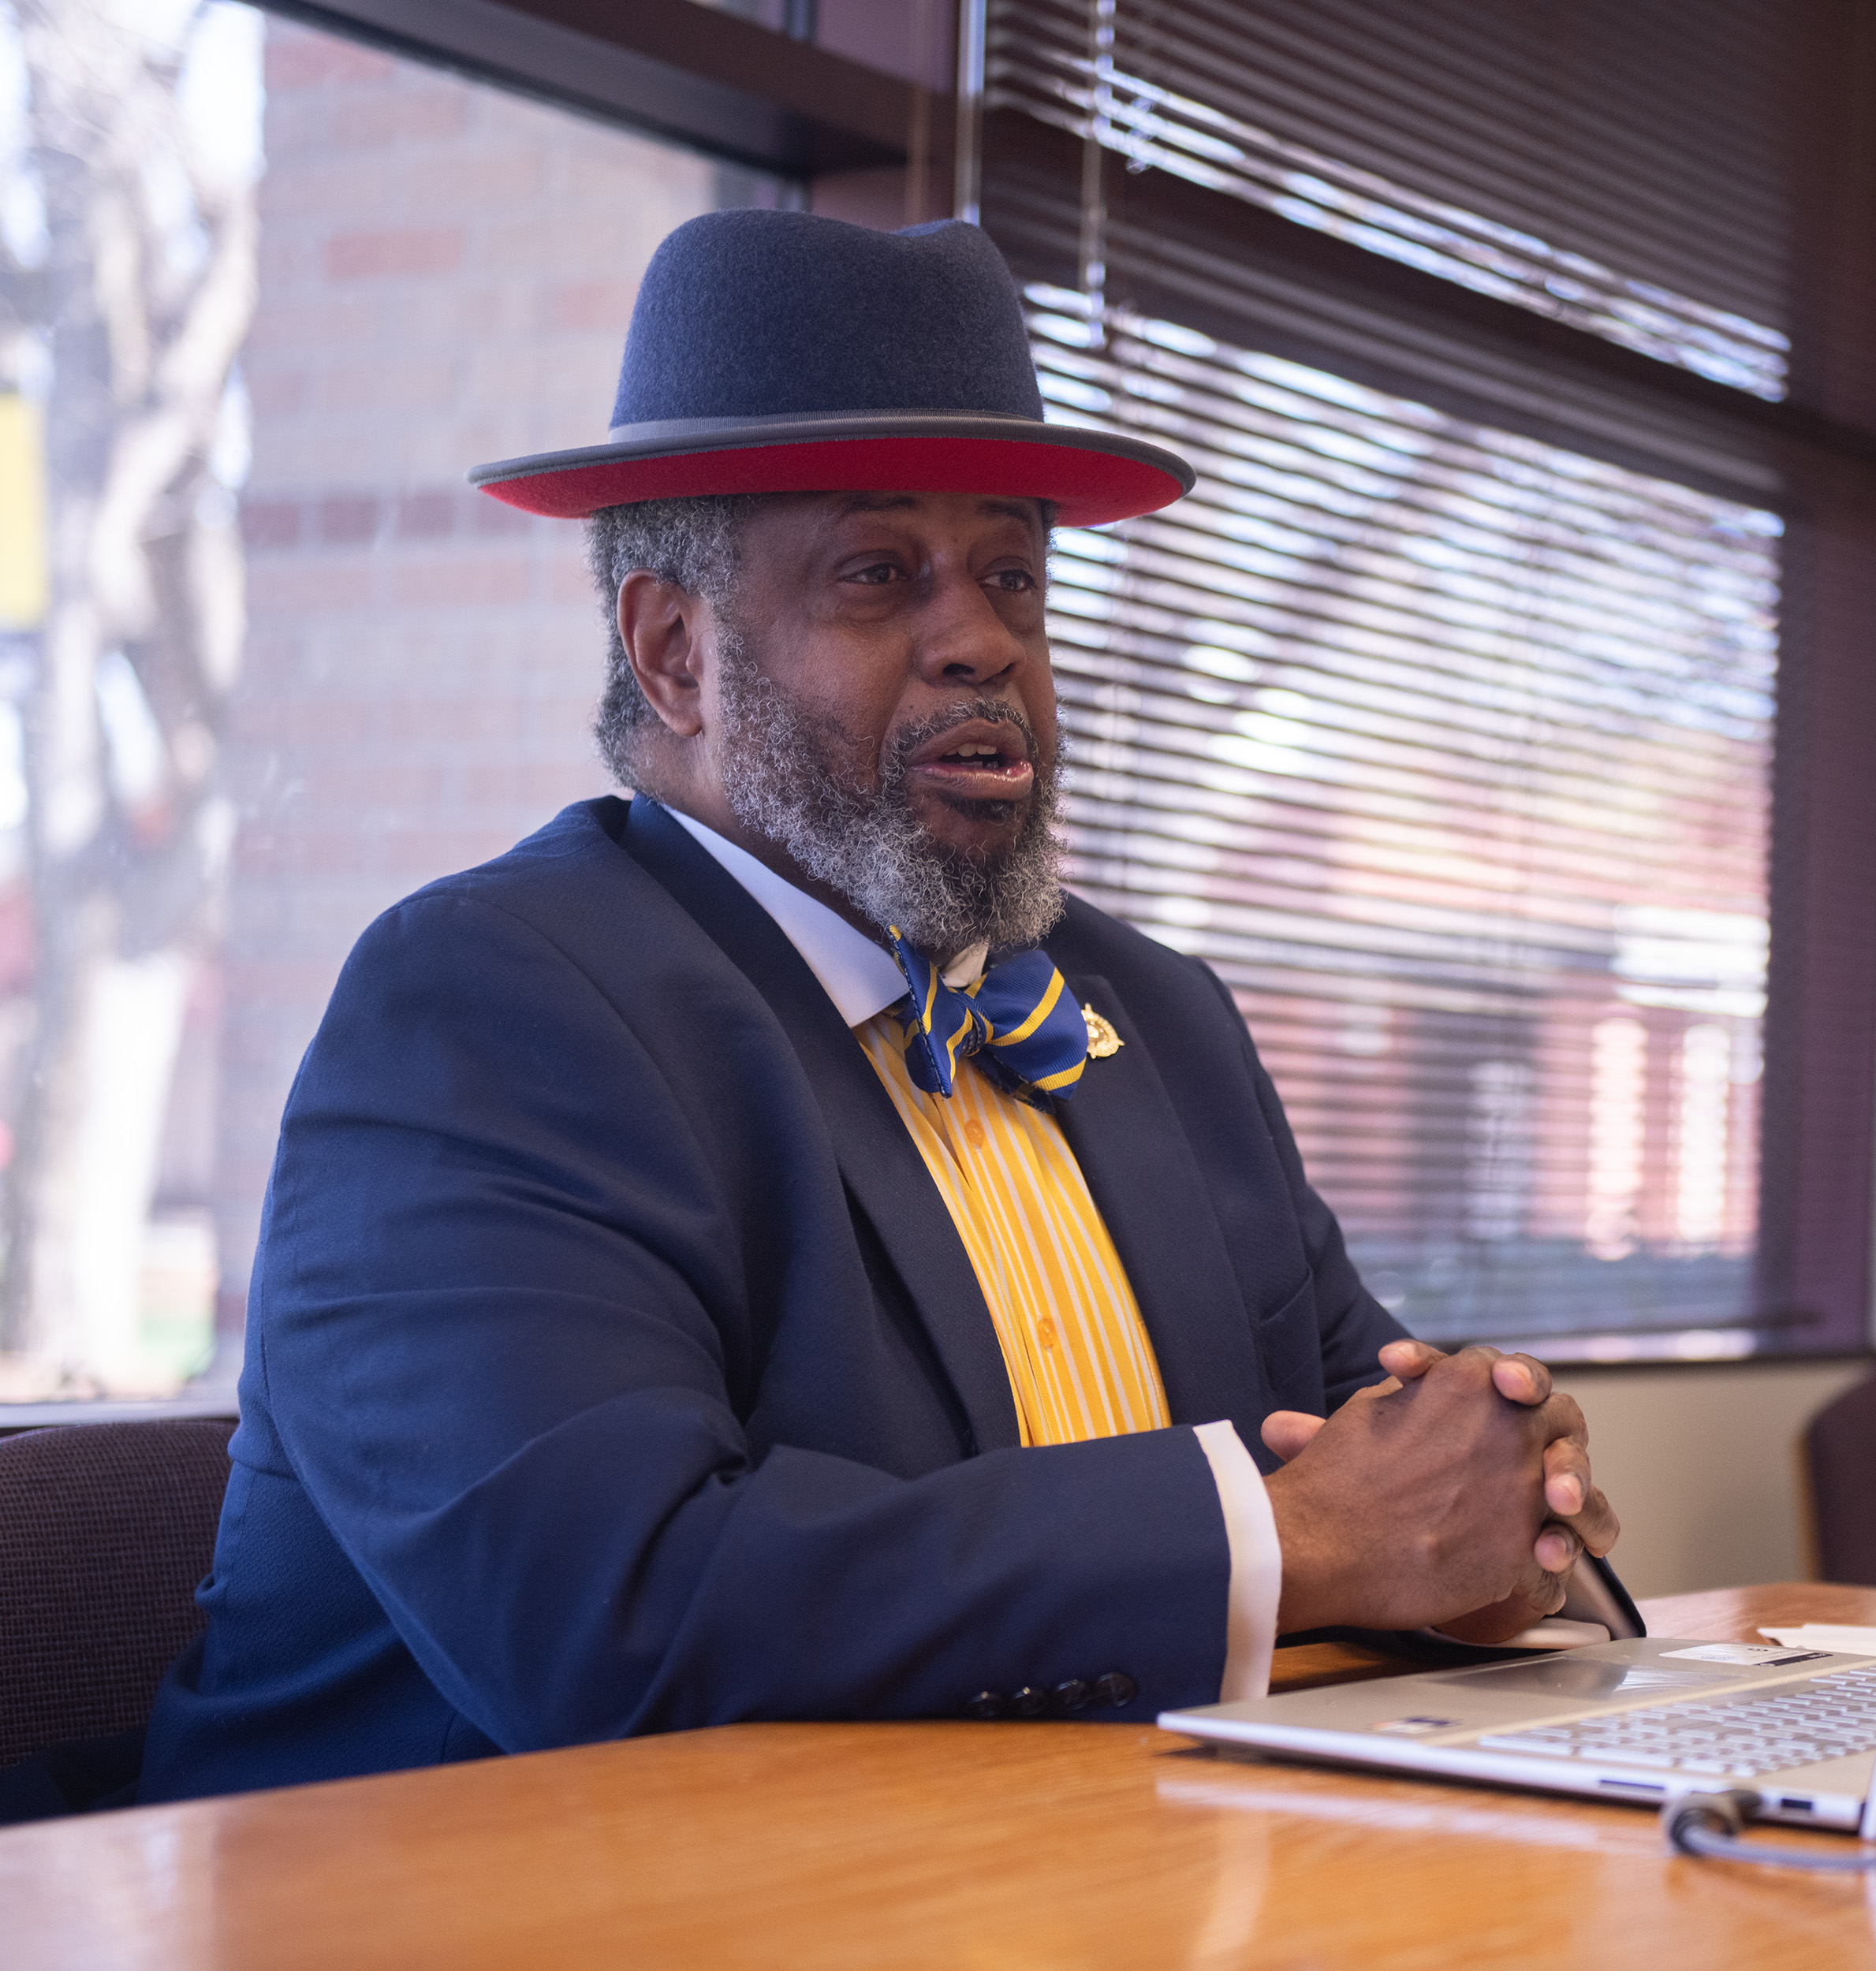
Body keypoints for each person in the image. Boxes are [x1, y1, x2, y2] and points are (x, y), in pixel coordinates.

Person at [137, 212, 1617, 1804]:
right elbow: (614, 1619)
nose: (981, 640)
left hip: (1084, 1875)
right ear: (673, 650)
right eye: (876, 573)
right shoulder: (484, 1012)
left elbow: (1375, 1468)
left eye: (1009, 576)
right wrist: (1285, 1536)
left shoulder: (1160, 1015)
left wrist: (1486, 1506)